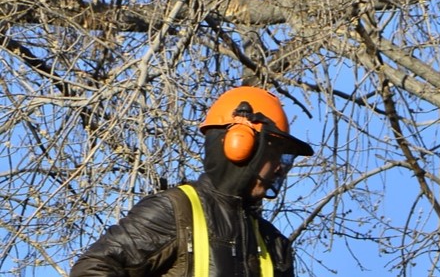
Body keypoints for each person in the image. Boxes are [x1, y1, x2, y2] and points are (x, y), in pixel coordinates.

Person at [70, 86, 314, 276]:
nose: (281, 168)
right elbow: (93, 268)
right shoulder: (175, 211)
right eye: (274, 154)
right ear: (240, 145)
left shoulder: (274, 246)